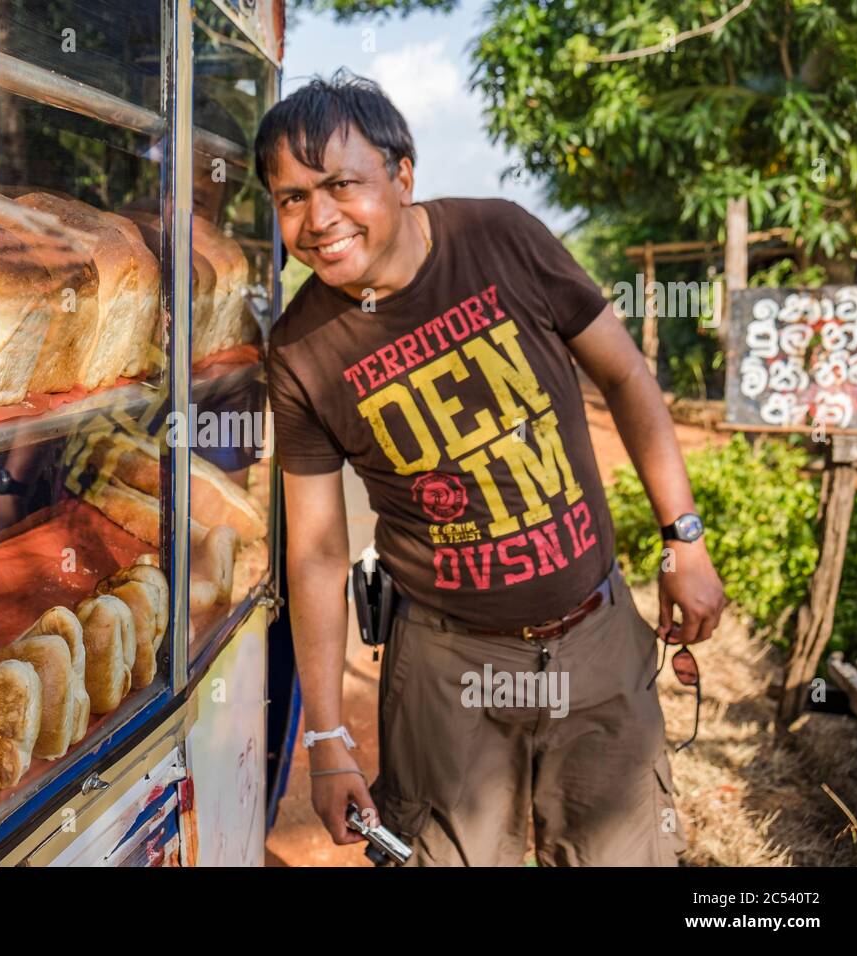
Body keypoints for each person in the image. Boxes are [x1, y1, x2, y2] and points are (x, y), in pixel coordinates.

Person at [257, 72, 726, 866]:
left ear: (402, 176)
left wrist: (684, 539)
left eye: (341, 184)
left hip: (598, 638)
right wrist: (328, 735)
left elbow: (626, 376)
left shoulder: (501, 237)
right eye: (291, 198)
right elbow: (316, 552)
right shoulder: (302, 351)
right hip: (446, 671)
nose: (318, 219)